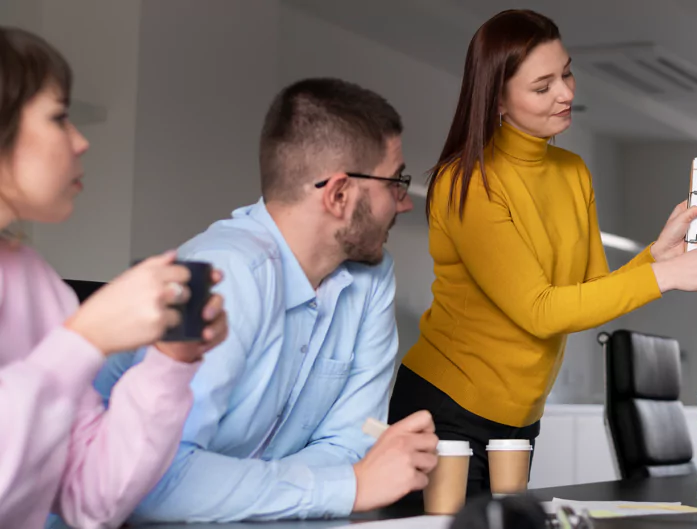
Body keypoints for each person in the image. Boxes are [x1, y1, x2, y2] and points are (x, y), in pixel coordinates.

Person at [388, 9, 697, 495]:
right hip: (447, 409)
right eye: (542, 87)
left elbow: (586, 296)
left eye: (566, 73)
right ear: (497, 98)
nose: (565, 93)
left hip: (520, 418)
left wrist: (656, 259)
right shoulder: (469, 182)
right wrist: (666, 277)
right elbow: (539, 311)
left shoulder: (572, 170)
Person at [95, 77, 438, 523]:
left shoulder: (372, 275)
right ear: (338, 194)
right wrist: (351, 485)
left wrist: (237, 486)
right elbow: (157, 484)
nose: (403, 203)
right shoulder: (222, 275)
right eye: (396, 182)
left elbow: (350, 443)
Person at [0, 27, 228, 528]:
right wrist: (84, 341)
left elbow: (90, 502)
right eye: (59, 117)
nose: (81, 140)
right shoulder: (72, 325)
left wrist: (170, 363)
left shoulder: (39, 285)